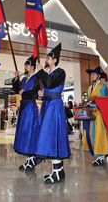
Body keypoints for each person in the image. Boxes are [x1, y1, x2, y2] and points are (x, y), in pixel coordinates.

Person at [35, 43, 71, 184]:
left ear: (55, 60)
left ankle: (56, 171)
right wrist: (43, 93)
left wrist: (40, 72)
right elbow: (48, 87)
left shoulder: (59, 72)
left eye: (48, 58)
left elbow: (49, 83)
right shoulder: (50, 73)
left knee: (52, 135)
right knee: (51, 135)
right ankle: (58, 171)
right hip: (48, 106)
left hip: (54, 107)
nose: (46, 60)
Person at [82, 66, 108, 166]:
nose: (91, 76)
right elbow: (88, 99)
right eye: (91, 74)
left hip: (100, 114)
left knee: (99, 135)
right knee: (92, 134)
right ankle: (98, 155)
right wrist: (87, 104)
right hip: (91, 114)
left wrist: (92, 103)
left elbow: (105, 101)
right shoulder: (89, 88)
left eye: (93, 74)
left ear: (98, 75)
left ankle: (100, 157)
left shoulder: (103, 87)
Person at [12, 55, 41, 171]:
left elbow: (34, 93)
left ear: (33, 67)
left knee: (29, 133)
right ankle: (29, 159)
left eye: (27, 65)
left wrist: (24, 92)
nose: (25, 67)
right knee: (24, 133)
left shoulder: (36, 78)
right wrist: (16, 79)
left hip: (30, 108)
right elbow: (17, 90)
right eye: (25, 65)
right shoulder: (24, 79)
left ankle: (31, 159)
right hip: (24, 108)